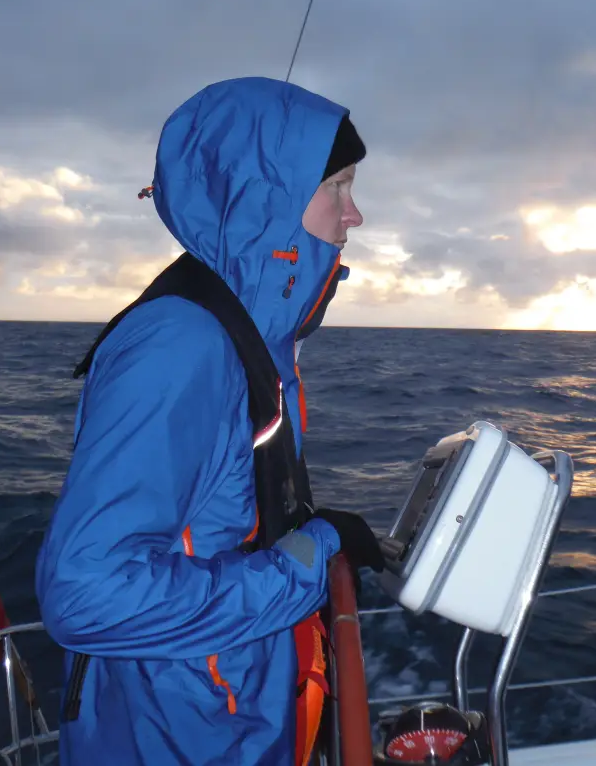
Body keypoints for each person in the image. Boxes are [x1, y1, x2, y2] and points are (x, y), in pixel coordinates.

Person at [35, 76, 387, 766]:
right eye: (338, 187)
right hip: (177, 734)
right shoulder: (182, 346)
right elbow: (86, 591)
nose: (355, 216)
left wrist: (306, 533)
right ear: (270, 200)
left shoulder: (253, 331)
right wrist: (307, 566)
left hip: (226, 716)